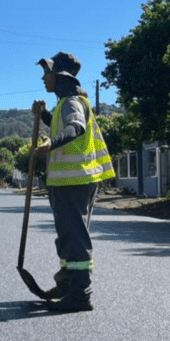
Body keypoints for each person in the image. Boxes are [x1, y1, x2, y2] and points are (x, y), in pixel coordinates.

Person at [32, 51, 115, 312]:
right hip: (69, 182)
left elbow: (75, 127)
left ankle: (80, 294)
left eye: (47, 72)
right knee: (67, 237)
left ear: (60, 75)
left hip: (75, 181)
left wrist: (51, 142)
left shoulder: (71, 103)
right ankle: (67, 284)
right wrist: (45, 117)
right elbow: (64, 126)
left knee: (75, 238)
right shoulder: (64, 104)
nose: (44, 78)